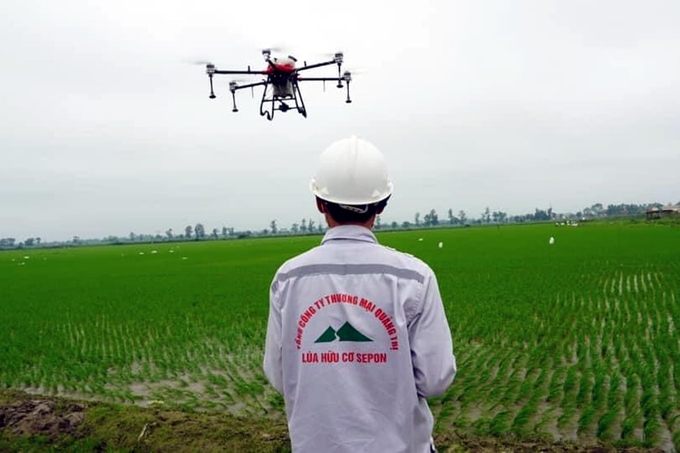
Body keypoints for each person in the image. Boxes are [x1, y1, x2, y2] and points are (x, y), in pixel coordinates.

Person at [263, 135, 456, 453]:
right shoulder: (413, 278)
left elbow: (279, 374)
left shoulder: (289, 278)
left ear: (319, 202)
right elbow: (436, 379)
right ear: (382, 203)